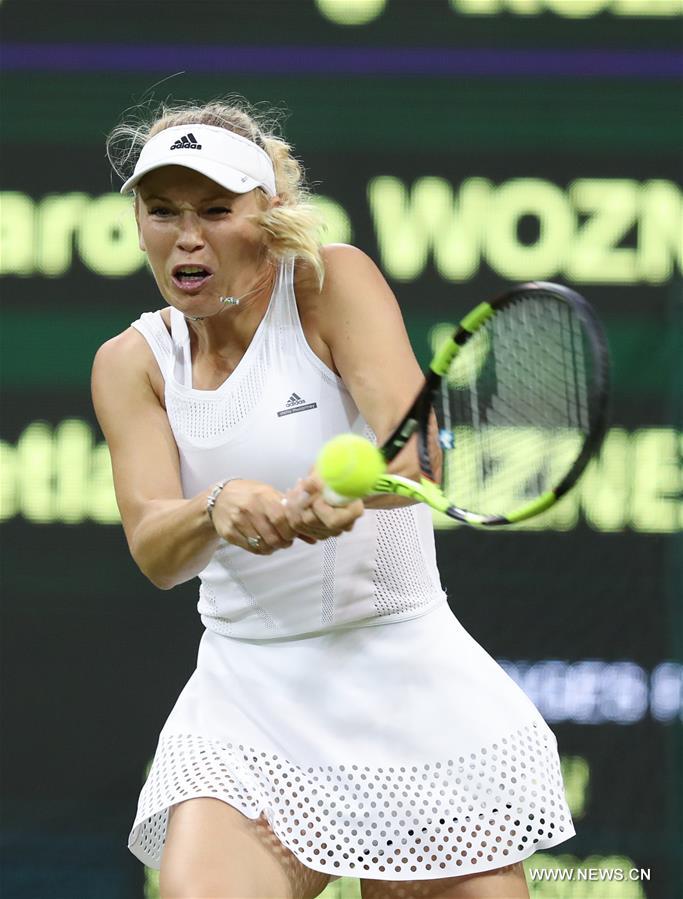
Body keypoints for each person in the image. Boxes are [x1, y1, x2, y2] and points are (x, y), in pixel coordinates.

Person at [92, 98, 575, 899]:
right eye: (163, 210)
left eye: (216, 209)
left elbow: (416, 456)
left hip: (404, 679)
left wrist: (353, 492)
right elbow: (154, 547)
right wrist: (214, 506)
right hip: (246, 700)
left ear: (267, 211)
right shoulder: (130, 362)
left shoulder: (328, 281)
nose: (187, 235)